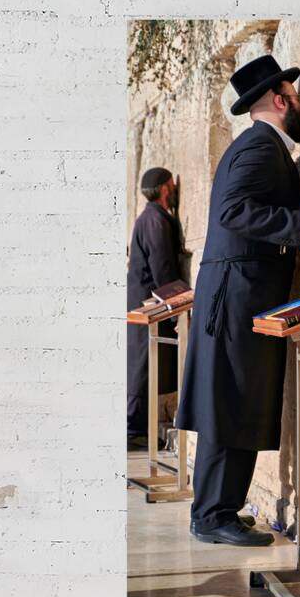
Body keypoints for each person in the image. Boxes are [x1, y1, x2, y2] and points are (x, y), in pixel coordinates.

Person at [175, 54, 300, 547]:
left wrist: (294, 210)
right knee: (228, 404)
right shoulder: (260, 147)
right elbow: (233, 211)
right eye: (295, 93)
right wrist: (297, 223)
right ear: (280, 99)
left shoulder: (261, 146)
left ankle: (219, 508)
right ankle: (210, 515)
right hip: (236, 297)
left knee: (234, 403)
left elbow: (249, 206)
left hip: (239, 294)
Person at [126, 166, 184, 449]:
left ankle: (136, 427)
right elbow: (162, 267)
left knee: (145, 362)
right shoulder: (155, 221)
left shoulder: (151, 218)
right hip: (150, 302)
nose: (174, 191)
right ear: (164, 188)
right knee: (142, 365)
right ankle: (133, 428)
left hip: (147, 301)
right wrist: (177, 303)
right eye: (172, 185)